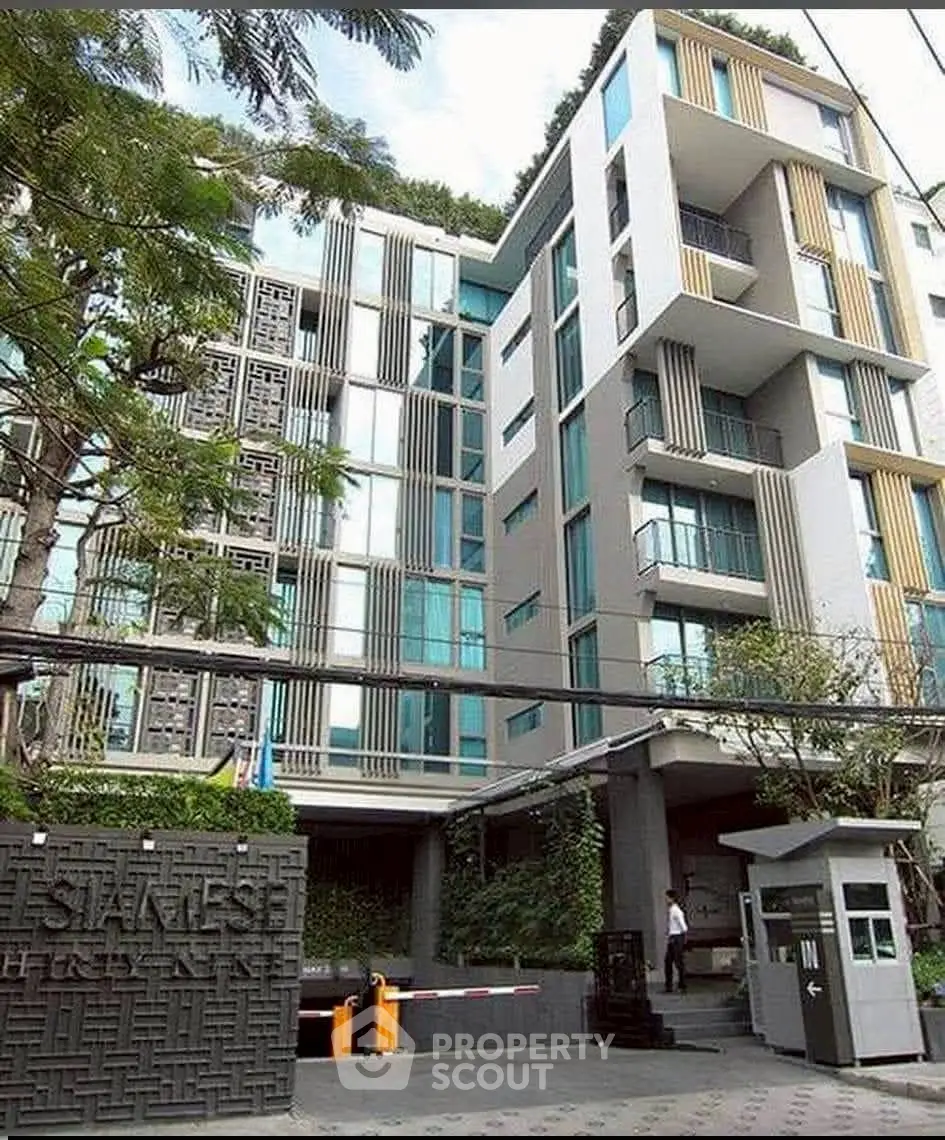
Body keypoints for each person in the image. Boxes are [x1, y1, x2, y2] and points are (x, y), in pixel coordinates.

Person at [664, 888, 688, 994]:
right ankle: (670, 985)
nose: (666, 900)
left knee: (678, 962)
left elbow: (683, 926)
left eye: (667, 898)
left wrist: (680, 935)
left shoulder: (676, 911)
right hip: (673, 937)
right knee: (668, 961)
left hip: (676, 937)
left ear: (671, 898)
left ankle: (681, 985)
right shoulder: (671, 910)